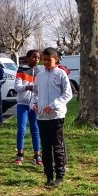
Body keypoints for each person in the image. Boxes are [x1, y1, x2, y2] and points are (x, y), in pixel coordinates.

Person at [32, 48, 73, 187]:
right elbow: (35, 93)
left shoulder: (61, 74)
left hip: (57, 115)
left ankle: (60, 174)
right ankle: (48, 175)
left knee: (57, 145)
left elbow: (67, 94)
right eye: (44, 59)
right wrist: (34, 104)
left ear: (56, 59)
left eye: (49, 60)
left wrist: (54, 105)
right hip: (42, 117)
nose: (46, 62)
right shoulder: (40, 75)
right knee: (46, 147)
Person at [14, 49, 42, 166]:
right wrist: (27, 87)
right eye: (34, 57)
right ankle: (20, 154)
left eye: (38, 58)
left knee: (35, 129)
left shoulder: (40, 72)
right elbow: (17, 87)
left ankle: (37, 155)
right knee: (22, 129)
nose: (36, 60)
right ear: (28, 58)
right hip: (23, 104)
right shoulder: (21, 70)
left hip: (35, 105)